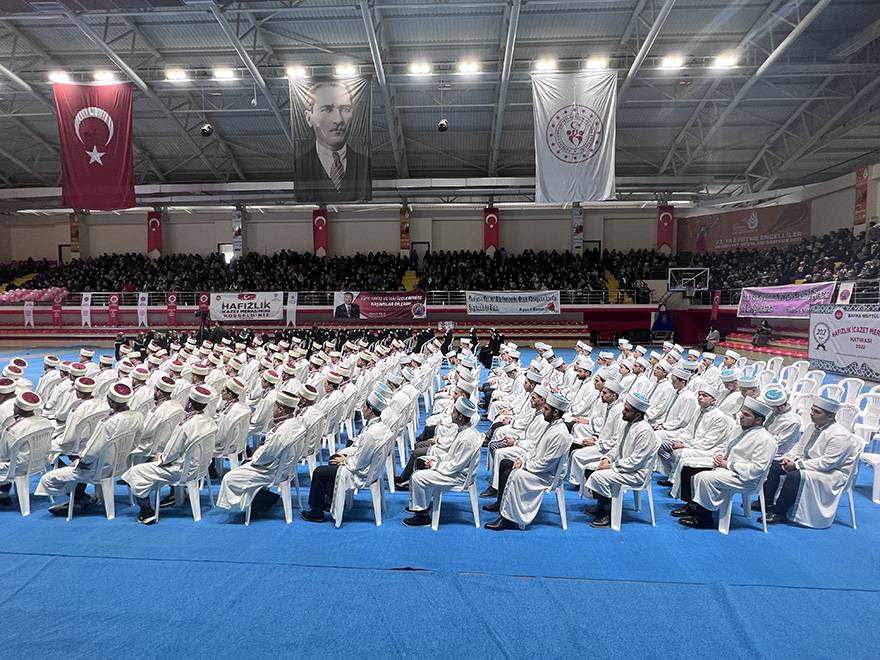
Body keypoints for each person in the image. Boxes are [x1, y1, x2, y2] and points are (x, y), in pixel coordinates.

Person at [37, 383, 144, 516]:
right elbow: (136, 442)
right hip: (120, 465)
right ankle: (81, 496)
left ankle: (79, 497)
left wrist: (82, 462)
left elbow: (92, 451)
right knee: (76, 459)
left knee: (48, 478)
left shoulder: (108, 423)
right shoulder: (138, 416)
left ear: (110, 400)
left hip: (98, 469)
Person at [673, 396, 775, 529]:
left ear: (759, 420)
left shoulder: (765, 439)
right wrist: (719, 455)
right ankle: (692, 505)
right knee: (688, 465)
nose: (741, 416)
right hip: (727, 467)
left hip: (745, 478)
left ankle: (704, 518)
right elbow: (725, 447)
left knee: (703, 477)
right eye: (742, 412)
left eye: (746, 415)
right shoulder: (739, 429)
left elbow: (757, 469)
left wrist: (727, 465)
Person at [122, 385, 218, 525]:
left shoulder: (186, 425)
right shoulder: (209, 421)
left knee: (136, 471)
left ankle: (146, 511)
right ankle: (173, 495)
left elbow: (171, 453)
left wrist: (160, 458)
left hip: (182, 471)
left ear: (190, 403)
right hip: (200, 468)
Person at [758, 395, 858, 527]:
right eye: (812, 410)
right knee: (774, 465)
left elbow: (827, 463)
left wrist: (797, 465)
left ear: (830, 416)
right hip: (811, 463)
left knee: (795, 475)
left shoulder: (840, 435)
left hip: (832, 474)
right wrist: (789, 458)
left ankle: (779, 513)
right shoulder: (813, 426)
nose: (811, 414)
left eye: (817, 412)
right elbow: (800, 447)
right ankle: (767, 503)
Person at [483, 392, 572, 531]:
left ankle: (508, 519)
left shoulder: (559, 434)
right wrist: (522, 458)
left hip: (546, 475)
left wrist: (524, 464)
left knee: (512, 474)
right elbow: (537, 449)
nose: (543, 411)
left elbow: (546, 464)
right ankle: (501, 503)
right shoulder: (552, 425)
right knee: (506, 463)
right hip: (539, 465)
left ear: (556, 412)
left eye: (547, 409)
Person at [300, 390, 391, 523]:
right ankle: (330, 499)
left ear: (370, 409)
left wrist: (346, 459)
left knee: (319, 472)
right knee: (333, 459)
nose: (362, 409)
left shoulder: (369, 435)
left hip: (360, 472)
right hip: (371, 467)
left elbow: (358, 463)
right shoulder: (382, 427)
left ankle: (316, 511)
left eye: (364, 407)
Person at [216, 389, 305, 517]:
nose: (272, 409)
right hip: (285, 467)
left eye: (274, 406)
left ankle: (254, 503)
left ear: (281, 410)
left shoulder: (282, 431)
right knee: (244, 464)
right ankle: (264, 497)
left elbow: (265, 457)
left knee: (229, 478)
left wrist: (253, 458)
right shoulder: (295, 423)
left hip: (271, 470)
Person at [402, 397, 483, 527]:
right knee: (423, 462)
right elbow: (454, 456)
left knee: (418, 477)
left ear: (461, 417)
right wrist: (435, 460)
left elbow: (454, 466)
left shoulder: (466, 439)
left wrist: (435, 465)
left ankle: (422, 516)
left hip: (458, 477)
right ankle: (421, 505)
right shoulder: (466, 430)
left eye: (454, 412)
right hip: (457, 469)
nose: (451, 414)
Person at [583, 392, 658, 528]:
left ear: (637, 414)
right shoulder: (626, 424)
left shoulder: (645, 431)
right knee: (589, 468)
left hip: (636, 472)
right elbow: (617, 447)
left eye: (627, 410)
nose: (623, 412)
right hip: (624, 467)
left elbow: (636, 462)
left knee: (599, 477)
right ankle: (601, 505)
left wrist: (612, 466)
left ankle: (608, 512)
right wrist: (607, 458)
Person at [293, 80, 371, 203]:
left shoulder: (364, 163)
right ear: (309, 118)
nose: (338, 120)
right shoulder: (301, 165)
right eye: (328, 109)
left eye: (345, 109)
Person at [0, 392, 53, 506]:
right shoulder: (46, 422)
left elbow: (3, 456)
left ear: (17, 409)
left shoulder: (13, 430)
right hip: (39, 462)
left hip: (17, 467)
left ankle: (4, 494)